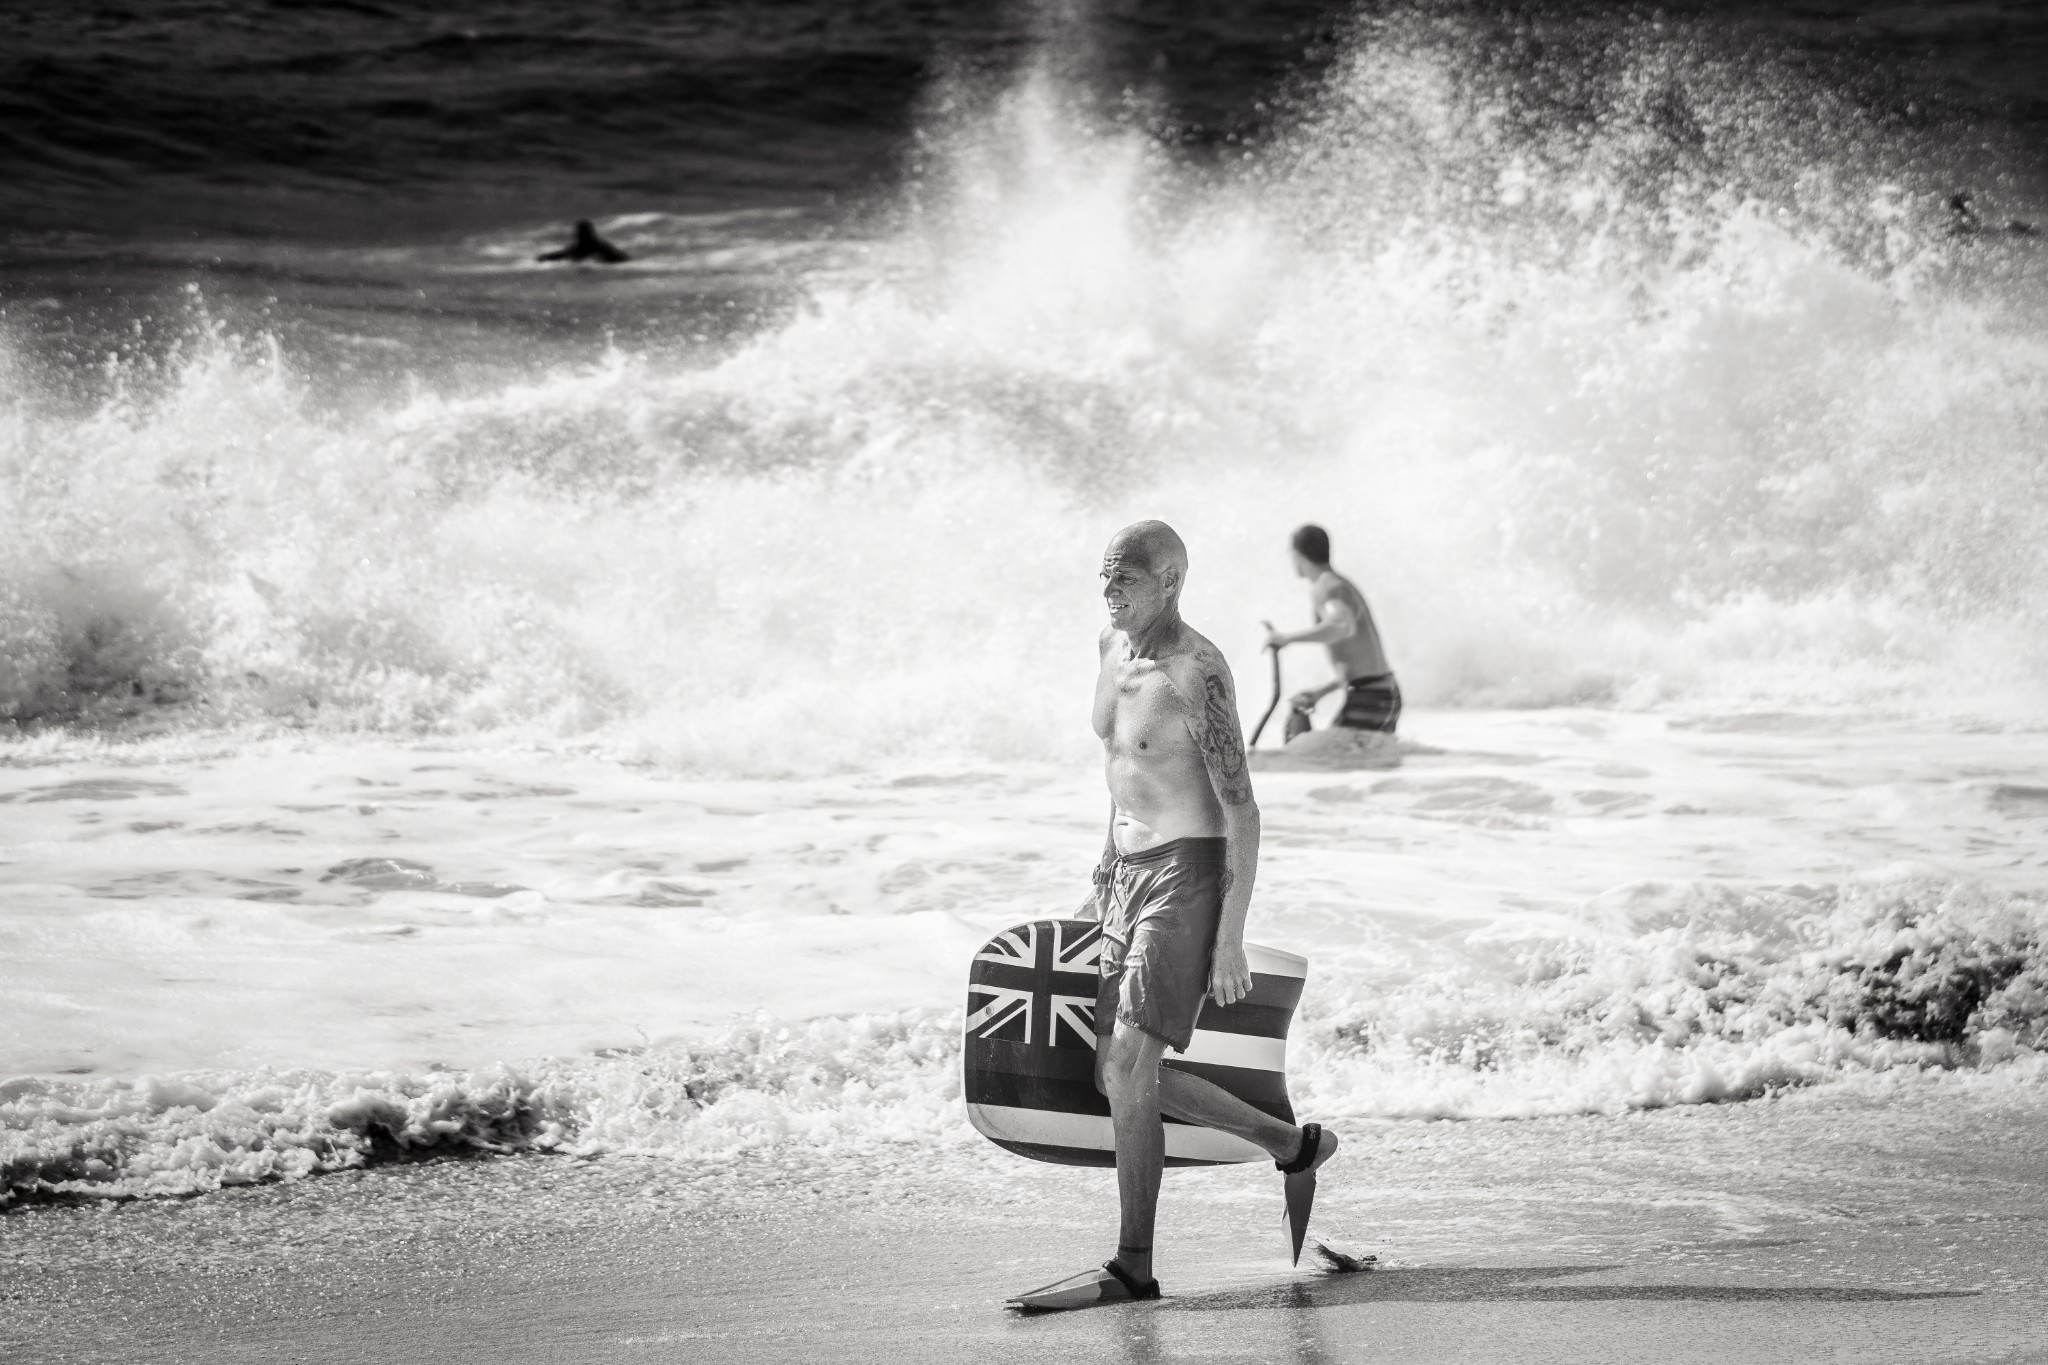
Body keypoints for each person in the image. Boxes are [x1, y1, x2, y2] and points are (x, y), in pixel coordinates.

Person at [1005, 520, 1338, 1312]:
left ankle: (1133, 1267)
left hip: (1187, 876)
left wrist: (1228, 932)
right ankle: (1293, 1145)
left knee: (1129, 1069)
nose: (1110, 591)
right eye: (1105, 577)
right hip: (1125, 874)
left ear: (1171, 583)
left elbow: (1242, 808)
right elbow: (1121, 771)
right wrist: (1101, 872)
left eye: (1125, 578)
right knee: (1116, 1076)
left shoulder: (1199, 671)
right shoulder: (1108, 650)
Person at [1263, 524, 1399, 740]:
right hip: (1381, 692)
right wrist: (1320, 693)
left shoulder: (1327, 588)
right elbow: (1358, 663)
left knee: (1313, 760)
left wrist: (1286, 638)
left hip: (1370, 696)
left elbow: (1341, 626)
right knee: (1356, 767)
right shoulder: (1339, 584)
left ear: (1297, 555)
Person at [536, 219, 629, 263]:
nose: (576, 234)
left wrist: (545, 257)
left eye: (579, 232)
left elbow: (621, 258)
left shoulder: (597, 246)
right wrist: (545, 257)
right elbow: (564, 254)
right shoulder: (581, 246)